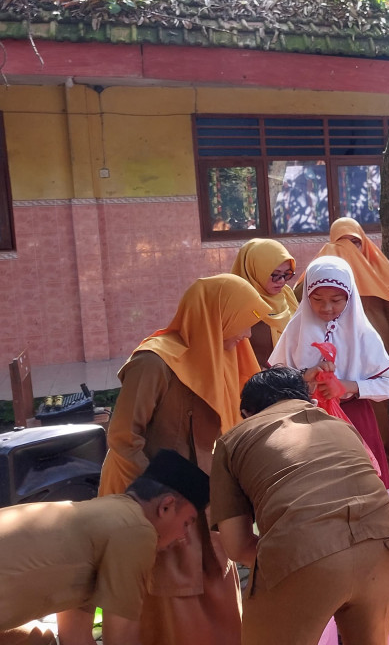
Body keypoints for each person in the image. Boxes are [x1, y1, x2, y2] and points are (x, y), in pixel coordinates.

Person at [96, 274, 271, 645]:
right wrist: (162, 502)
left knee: (217, 590)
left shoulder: (225, 355)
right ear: (216, 316)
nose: (244, 336)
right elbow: (124, 438)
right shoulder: (154, 361)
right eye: (240, 323)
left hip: (202, 501)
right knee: (168, 597)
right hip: (154, 504)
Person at [210, 367, 389, 645]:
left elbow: (236, 545)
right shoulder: (340, 425)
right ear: (309, 400)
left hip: (305, 552)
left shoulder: (232, 440)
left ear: (247, 413)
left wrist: (295, 559)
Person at [1, 451, 208, 645]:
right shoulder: (136, 530)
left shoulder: (100, 522)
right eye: (187, 523)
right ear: (166, 506)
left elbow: (75, 638)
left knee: (37, 638)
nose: (183, 537)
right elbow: (120, 638)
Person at [270, 256, 389, 488]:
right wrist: (304, 376)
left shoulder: (362, 334)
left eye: (336, 300)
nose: (327, 307)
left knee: (360, 485)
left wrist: (348, 386)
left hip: (354, 420)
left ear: (349, 297)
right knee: (317, 487)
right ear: (306, 296)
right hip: (306, 422)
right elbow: (274, 381)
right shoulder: (296, 331)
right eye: (317, 299)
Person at [320, 218, 389, 477]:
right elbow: (304, 298)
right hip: (335, 358)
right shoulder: (325, 268)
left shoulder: (379, 269)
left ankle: (387, 469)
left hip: (376, 354)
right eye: (343, 244)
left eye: (355, 242)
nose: (350, 249)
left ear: (364, 242)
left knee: (377, 412)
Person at [231, 238, 299, 367]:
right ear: (254, 271)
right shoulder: (237, 304)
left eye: (287, 274)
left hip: (291, 380)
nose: (281, 281)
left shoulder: (286, 295)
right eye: (276, 274)